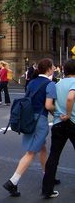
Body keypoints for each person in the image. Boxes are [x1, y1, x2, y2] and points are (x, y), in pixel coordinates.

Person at [3, 58, 56, 197]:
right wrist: (58, 113)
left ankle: (47, 176)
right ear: (49, 68)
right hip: (40, 121)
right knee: (31, 153)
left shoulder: (32, 82)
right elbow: (49, 105)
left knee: (42, 148)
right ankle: (13, 181)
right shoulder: (50, 84)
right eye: (53, 67)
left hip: (29, 119)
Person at [42, 59, 75, 198]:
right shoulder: (74, 83)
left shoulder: (57, 83)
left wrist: (58, 114)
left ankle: (47, 189)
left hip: (57, 123)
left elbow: (49, 104)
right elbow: (70, 98)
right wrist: (67, 114)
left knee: (54, 156)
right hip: (72, 121)